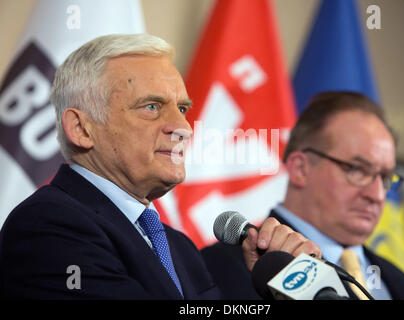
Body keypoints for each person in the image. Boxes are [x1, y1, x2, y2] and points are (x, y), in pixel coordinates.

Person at [0, 34, 321, 299]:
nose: (183, 127)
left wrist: (278, 291)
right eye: (152, 107)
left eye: (182, 108)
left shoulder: (176, 245)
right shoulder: (49, 226)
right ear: (81, 129)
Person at [202, 91, 404, 300]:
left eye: (386, 177)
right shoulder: (218, 268)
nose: (378, 195)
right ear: (301, 169)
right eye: (358, 170)